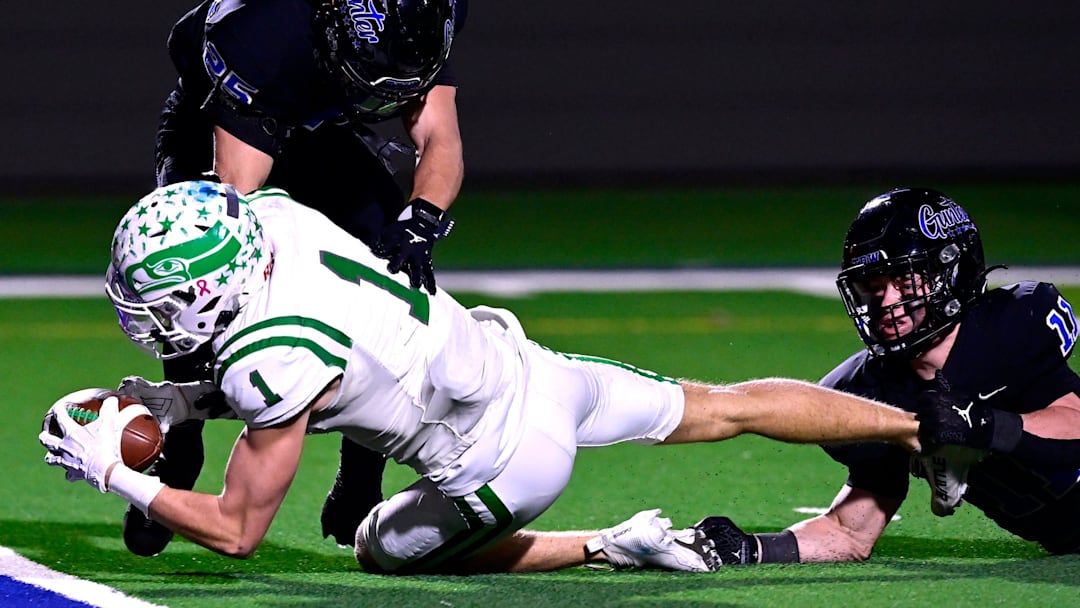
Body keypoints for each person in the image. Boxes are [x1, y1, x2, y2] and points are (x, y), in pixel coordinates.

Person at [41, 181, 922, 574]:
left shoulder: (269, 357)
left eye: (160, 298)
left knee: (376, 549)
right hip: (528, 369)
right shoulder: (275, 217)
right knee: (719, 408)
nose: (149, 318)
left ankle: (611, 543)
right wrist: (183, 398)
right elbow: (314, 361)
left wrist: (112, 473)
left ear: (208, 289)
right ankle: (920, 424)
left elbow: (237, 532)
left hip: (505, 464)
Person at [131, 0, 467, 557]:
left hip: (322, 125)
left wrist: (420, 223)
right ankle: (180, 443)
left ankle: (360, 479)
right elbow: (239, 208)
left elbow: (439, 137)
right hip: (226, 120)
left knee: (389, 264)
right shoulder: (263, 39)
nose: (387, 94)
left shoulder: (422, 12)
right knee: (205, 277)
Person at [691, 187, 1080, 565]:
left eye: (906, 282)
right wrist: (751, 548)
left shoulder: (1010, 329)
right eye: (872, 286)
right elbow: (850, 533)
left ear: (953, 272)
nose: (886, 302)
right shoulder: (867, 389)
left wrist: (982, 426)